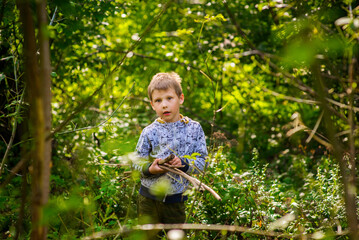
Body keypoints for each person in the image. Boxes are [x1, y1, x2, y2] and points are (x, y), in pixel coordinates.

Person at [133, 72, 208, 232]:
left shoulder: (194, 128)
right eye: (158, 101)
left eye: (169, 98)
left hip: (176, 199)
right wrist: (149, 169)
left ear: (180, 98)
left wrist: (184, 164)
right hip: (149, 198)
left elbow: (202, 162)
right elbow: (136, 162)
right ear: (152, 104)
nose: (164, 105)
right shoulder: (149, 132)